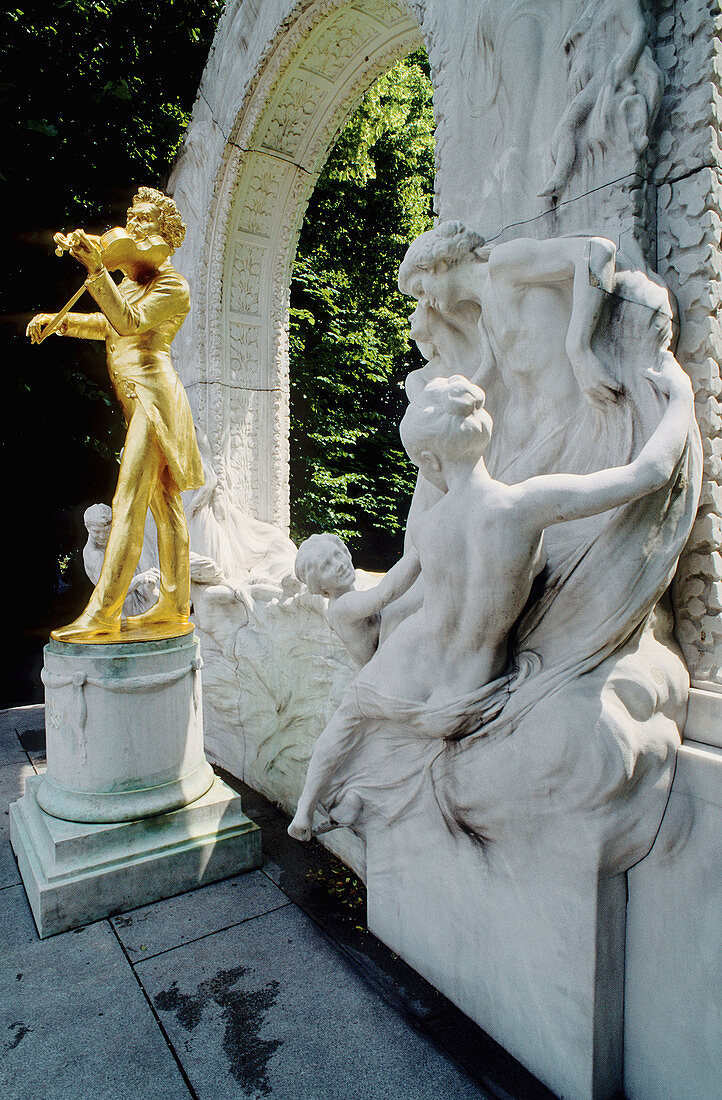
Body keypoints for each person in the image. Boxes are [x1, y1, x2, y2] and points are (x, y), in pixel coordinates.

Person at [288, 358, 694, 841]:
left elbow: (393, 588)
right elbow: (650, 472)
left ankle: (305, 811)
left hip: (409, 673)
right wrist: (682, 396)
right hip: (471, 687)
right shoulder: (524, 506)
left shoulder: (427, 525)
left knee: (349, 715)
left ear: (431, 461)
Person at [27, 187, 204, 642]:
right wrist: (60, 321)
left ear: (165, 233)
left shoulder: (172, 285)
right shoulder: (131, 281)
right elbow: (108, 323)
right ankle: (173, 606)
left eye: (145, 221)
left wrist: (97, 269)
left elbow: (127, 321)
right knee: (166, 507)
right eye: (134, 217)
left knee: (129, 500)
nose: (135, 227)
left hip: (154, 399)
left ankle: (104, 612)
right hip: (137, 402)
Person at [294, 533, 420, 667]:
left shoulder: (341, 599)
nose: (339, 565)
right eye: (326, 566)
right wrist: (418, 550)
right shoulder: (343, 605)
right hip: (379, 674)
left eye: (337, 555)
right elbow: (384, 594)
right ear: (319, 584)